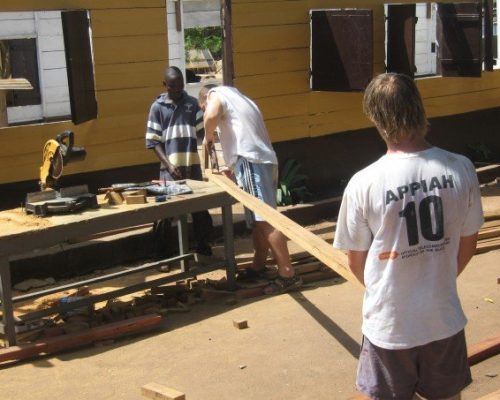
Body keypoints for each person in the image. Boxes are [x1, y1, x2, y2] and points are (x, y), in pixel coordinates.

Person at [333, 73, 484, 400]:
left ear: (376, 118)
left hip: (390, 325)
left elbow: (355, 262)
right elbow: (468, 245)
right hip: (443, 318)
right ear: (419, 107)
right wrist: (437, 278)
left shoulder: (364, 182)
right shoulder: (461, 168)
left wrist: (393, 286)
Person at [198, 84, 301, 294]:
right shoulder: (241, 98)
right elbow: (243, 134)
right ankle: (259, 265)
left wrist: (207, 136)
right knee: (257, 221)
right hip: (263, 160)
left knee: (265, 219)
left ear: (204, 101)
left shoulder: (216, 94)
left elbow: (211, 115)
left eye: (202, 108)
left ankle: (288, 273)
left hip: (252, 162)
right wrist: (233, 166)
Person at [145, 66, 213, 259]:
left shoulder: (192, 104)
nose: (177, 90)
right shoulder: (157, 107)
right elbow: (152, 142)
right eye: (173, 86)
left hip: (192, 166)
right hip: (169, 170)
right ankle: (163, 255)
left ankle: (203, 247)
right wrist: (169, 165)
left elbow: (203, 133)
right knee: (166, 214)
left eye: (181, 86)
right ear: (165, 85)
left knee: (199, 208)